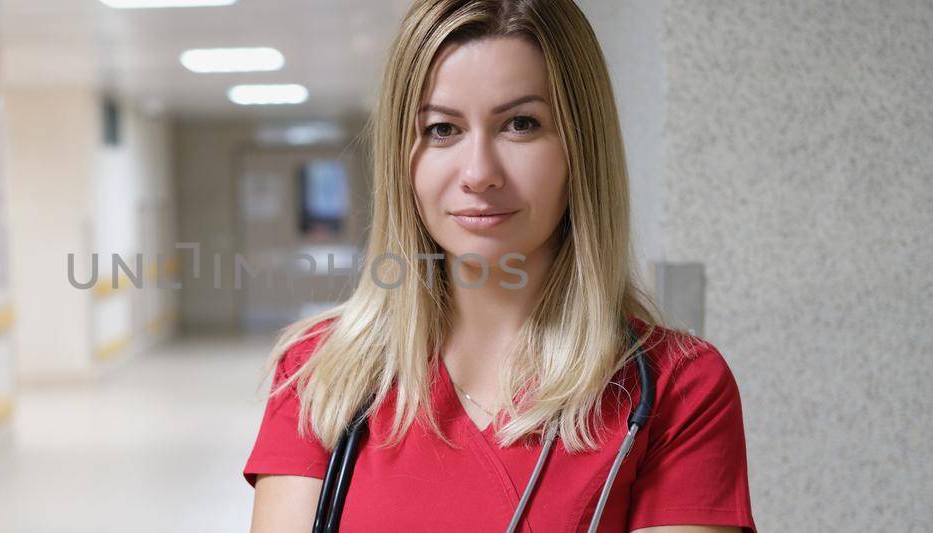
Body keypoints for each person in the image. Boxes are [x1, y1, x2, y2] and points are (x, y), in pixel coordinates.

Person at [242, 0, 756, 531]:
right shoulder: (323, 373)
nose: (480, 173)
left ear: (581, 148)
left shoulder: (679, 389)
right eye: (442, 129)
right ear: (403, 158)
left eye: (520, 124)